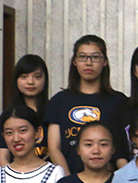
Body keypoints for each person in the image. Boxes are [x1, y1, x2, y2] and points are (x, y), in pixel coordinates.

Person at [46, 35, 130, 174]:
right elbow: (54, 148)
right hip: (68, 177)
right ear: (74, 61)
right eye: (82, 57)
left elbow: (122, 148)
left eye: (95, 57)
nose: (88, 63)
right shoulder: (59, 101)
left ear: (104, 62)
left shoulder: (119, 101)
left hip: (109, 180)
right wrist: (68, 180)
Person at [0, 54, 50, 166]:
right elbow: (3, 158)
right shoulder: (7, 116)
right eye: (24, 77)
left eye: (37, 77)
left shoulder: (54, 111)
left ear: (45, 79)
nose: (30, 82)